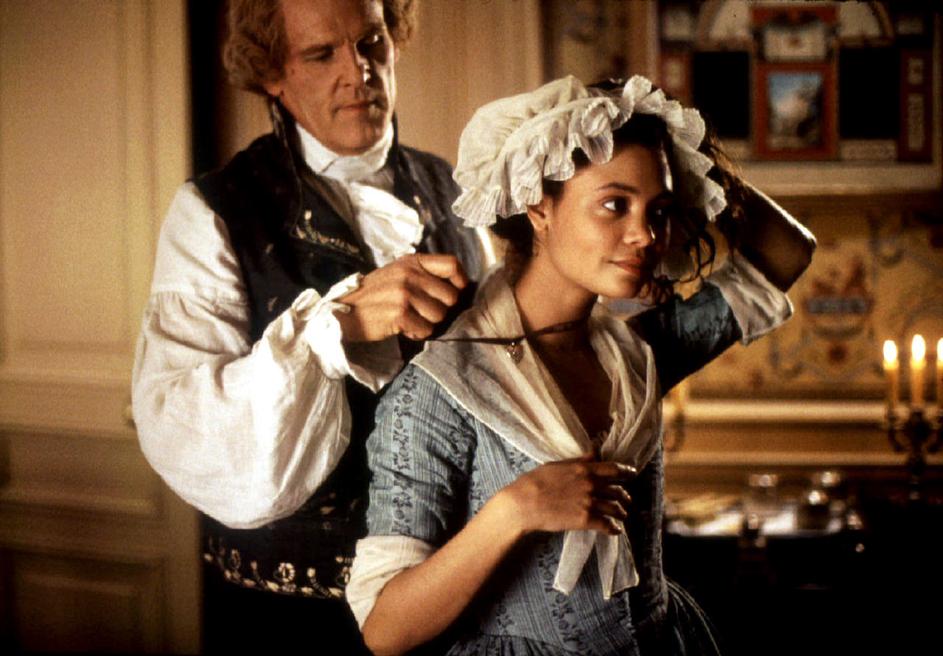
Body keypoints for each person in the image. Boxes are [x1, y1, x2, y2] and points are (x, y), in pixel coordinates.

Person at [346, 75, 816, 655]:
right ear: (538, 207)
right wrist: (514, 510)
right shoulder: (442, 389)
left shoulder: (639, 351)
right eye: (614, 205)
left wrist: (682, 151)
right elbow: (385, 629)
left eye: (659, 210)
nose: (645, 234)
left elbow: (788, 252)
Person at [131, 0, 484, 652]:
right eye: (322, 54)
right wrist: (333, 329)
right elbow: (179, 417)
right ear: (272, 72)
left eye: (371, 42)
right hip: (287, 615)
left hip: (448, 595)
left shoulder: (458, 193)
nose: (359, 72)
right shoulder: (216, 210)